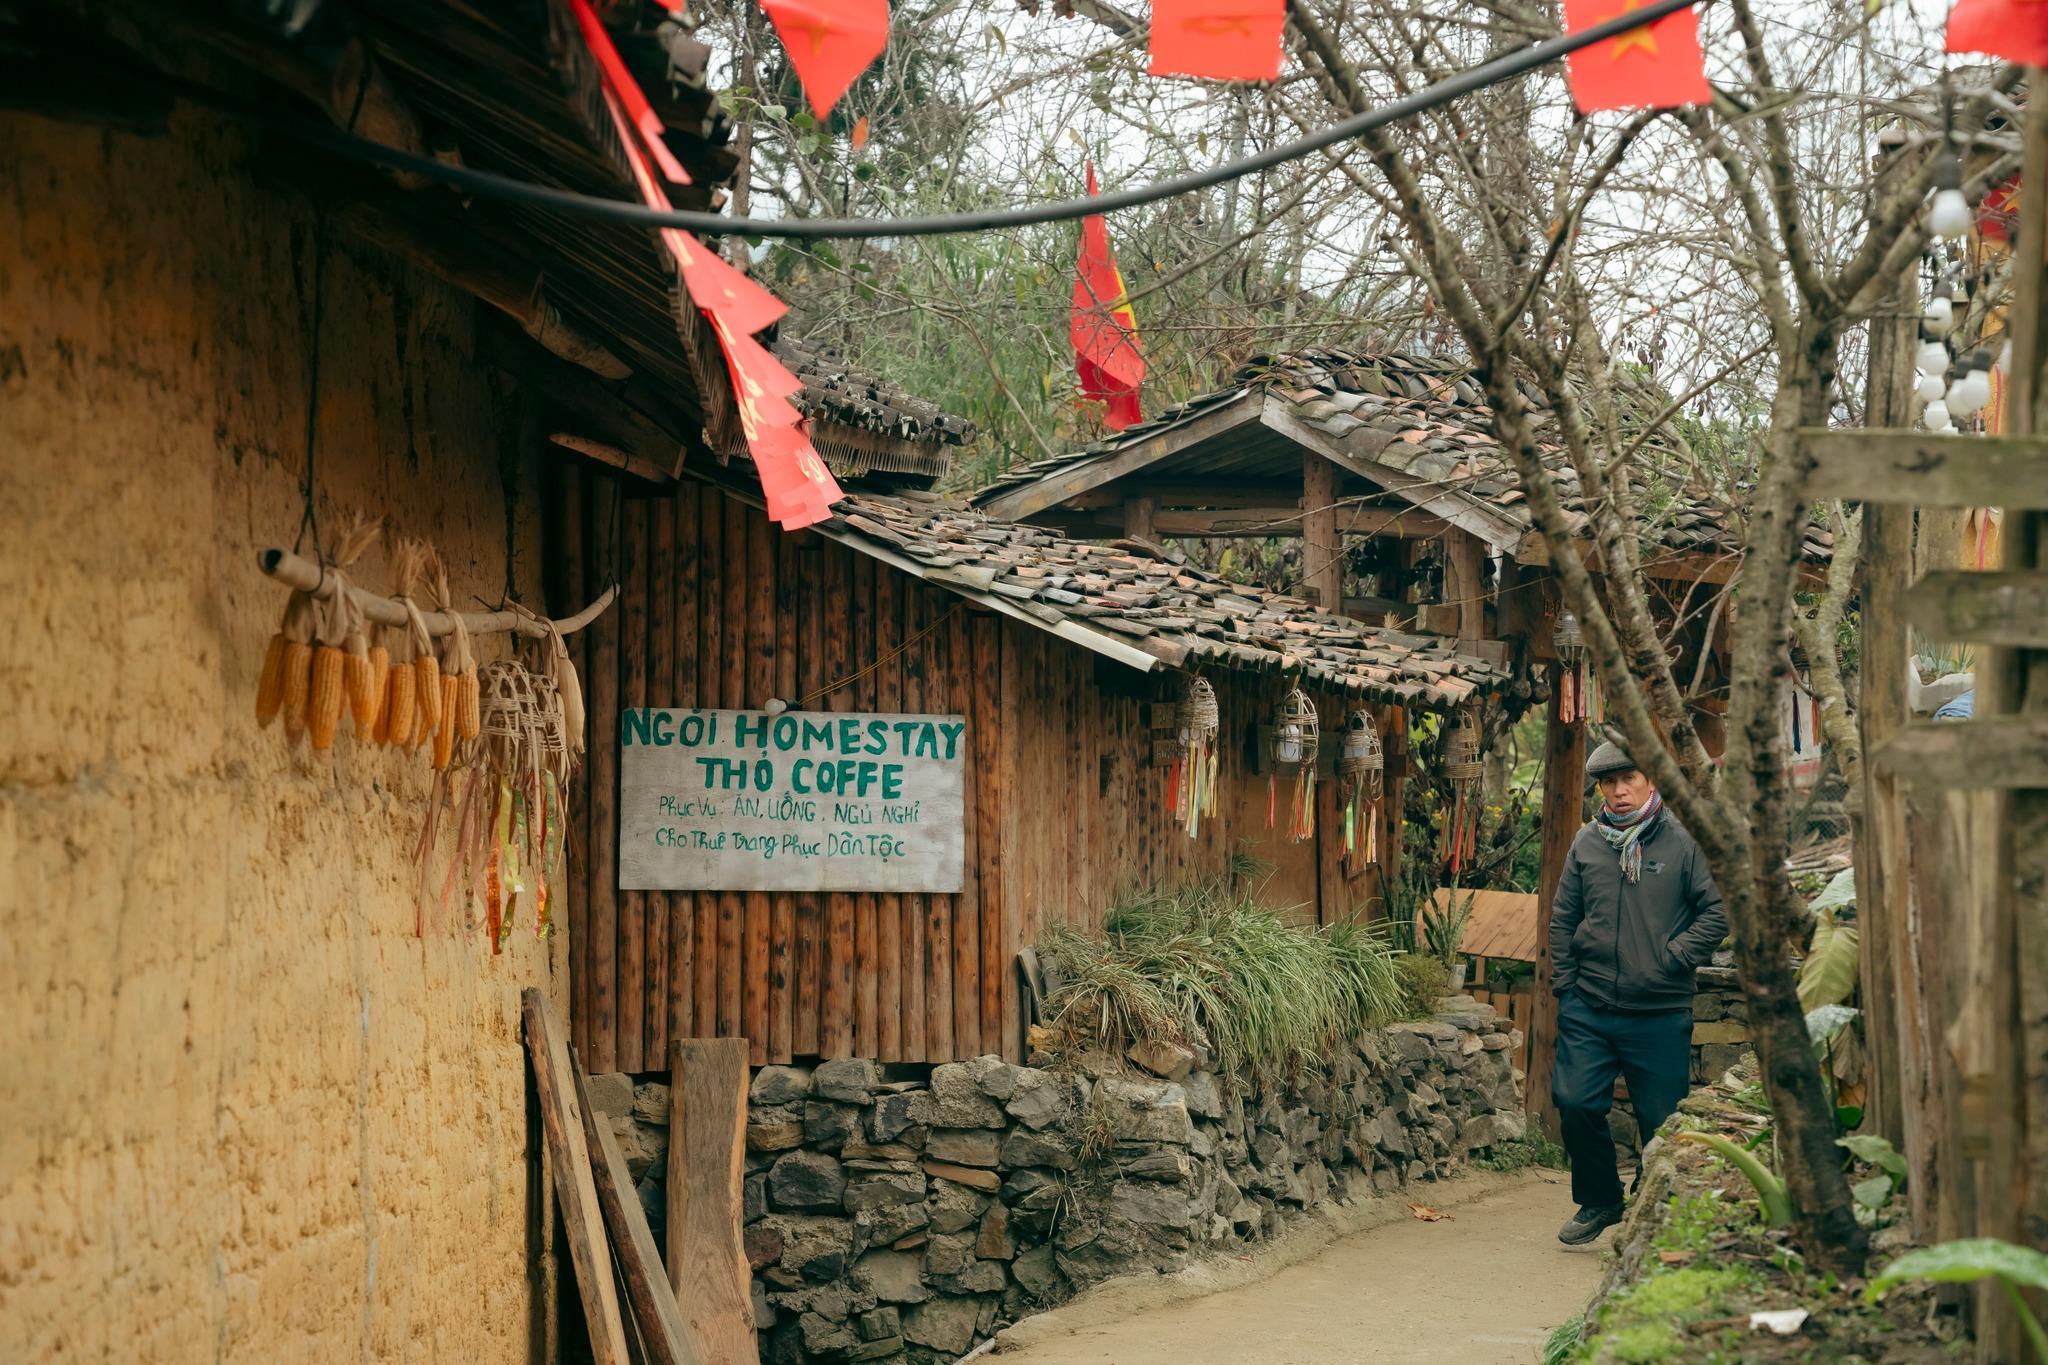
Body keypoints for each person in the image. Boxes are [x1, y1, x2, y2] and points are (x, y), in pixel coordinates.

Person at [1547, 740, 1727, 1246]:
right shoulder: (1588, 842)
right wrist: (1567, 986)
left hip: (1660, 1009)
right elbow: (1564, 919)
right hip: (1591, 1003)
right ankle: (1601, 1199)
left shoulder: (1684, 840)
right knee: (1575, 1101)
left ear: (1650, 779)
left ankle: (1652, 1209)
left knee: (1661, 1121)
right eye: (1609, 783)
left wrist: (1670, 959)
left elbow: (1717, 911)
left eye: (1629, 779)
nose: (1620, 792)